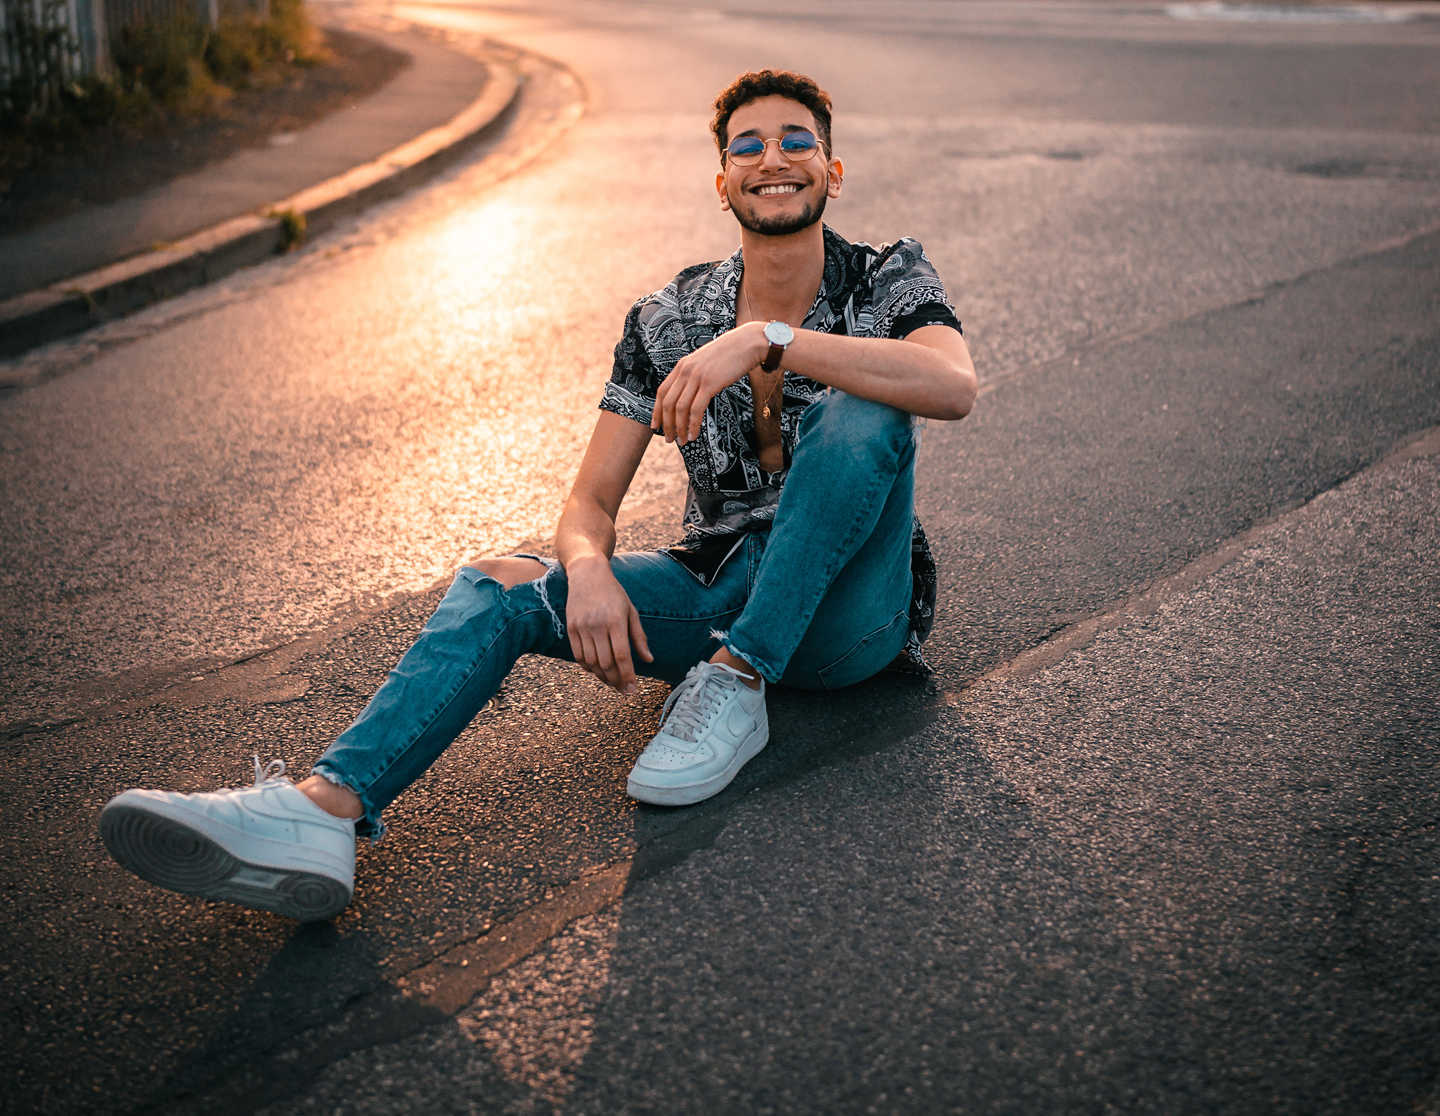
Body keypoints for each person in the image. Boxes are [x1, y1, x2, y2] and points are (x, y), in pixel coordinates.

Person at [100, 69, 977, 923]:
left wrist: (768, 339)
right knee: (498, 583)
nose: (773, 158)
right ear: (722, 184)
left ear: (832, 170)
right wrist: (586, 572)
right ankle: (322, 811)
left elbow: (951, 384)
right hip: (717, 585)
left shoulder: (886, 274)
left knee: (868, 410)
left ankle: (739, 678)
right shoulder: (667, 319)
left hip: (851, 612)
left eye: (796, 142)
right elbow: (589, 504)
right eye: (747, 147)